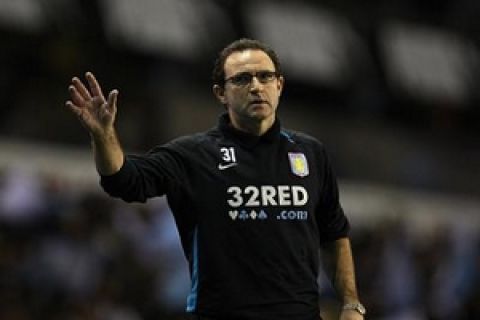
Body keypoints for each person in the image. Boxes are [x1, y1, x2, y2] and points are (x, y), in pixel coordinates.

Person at [66, 38, 365, 320]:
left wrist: (351, 303)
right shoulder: (192, 155)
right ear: (220, 93)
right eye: (242, 79)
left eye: (265, 77)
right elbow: (123, 180)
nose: (256, 87)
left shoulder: (311, 153)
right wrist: (104, 136)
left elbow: (334, 234)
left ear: (280, 85)